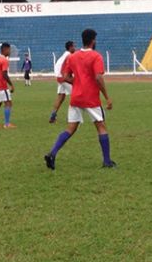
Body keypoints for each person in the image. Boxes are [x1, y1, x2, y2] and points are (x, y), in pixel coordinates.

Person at [45, 28, 115, 169]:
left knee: (70, 128)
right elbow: (98, 77)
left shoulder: (73, 57)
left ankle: (52, 153)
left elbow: (65, 77)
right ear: (93, 40)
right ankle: (107, 161)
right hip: (91, 99)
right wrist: (107, 97)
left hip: (76, 97)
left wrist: (76, 83)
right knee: (101, 126)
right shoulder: (96, 56)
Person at [49, 41, 76, 123]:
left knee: (61, 97)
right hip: (64, 78)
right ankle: (71, 117)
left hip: (59, 77)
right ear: (70, 47)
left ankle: (53, 115)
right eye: (74, 46)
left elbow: (59, 66)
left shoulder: (64, 55)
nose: (75, 48)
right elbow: (65, 68)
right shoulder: (69, 56)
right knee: (75, 95)